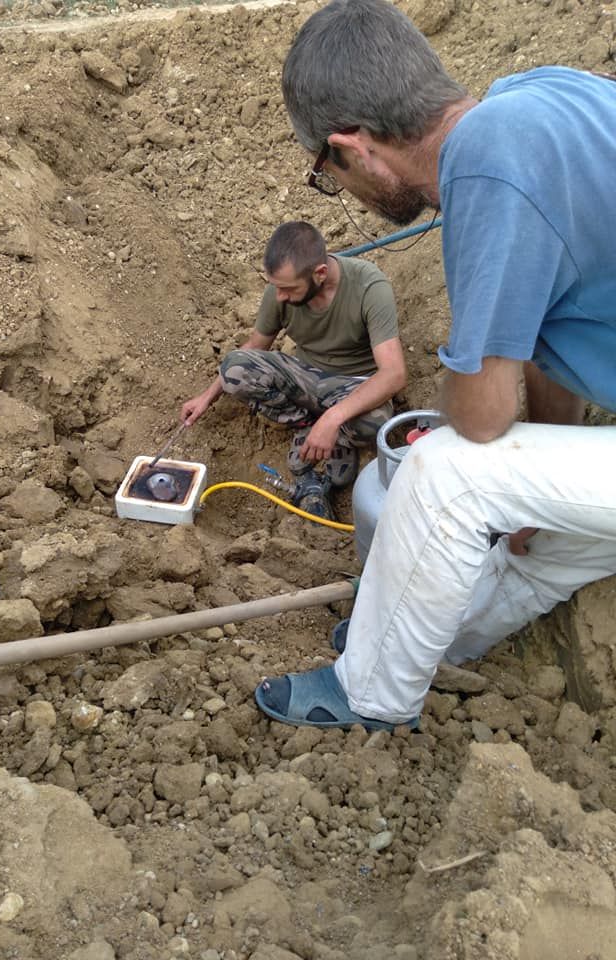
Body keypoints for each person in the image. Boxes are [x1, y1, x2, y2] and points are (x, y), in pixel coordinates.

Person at [255, 0, 616, 731]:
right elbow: (545, 334)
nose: (344, 191)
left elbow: (481, 420)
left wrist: (464, 415)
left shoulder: (486, 167)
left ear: (352, 147)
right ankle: (430, 638)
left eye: (328, 174)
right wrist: (531, 493)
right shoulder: (543, 93)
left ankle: (371, 695)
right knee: (549, 545)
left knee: (441, 470)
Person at [181, 221, 407, 503]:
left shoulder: (369, 286)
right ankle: (306, 426)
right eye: (276, 287)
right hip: (304, 378)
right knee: (234, 369)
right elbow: (254, 348)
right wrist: (207, 397)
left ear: (320, 274)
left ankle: (335, 434)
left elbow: (394, 373)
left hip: (354, 385)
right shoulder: (280, 292)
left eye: (288, 289)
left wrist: (334, 417)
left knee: (375, 424)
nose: (280, 297)